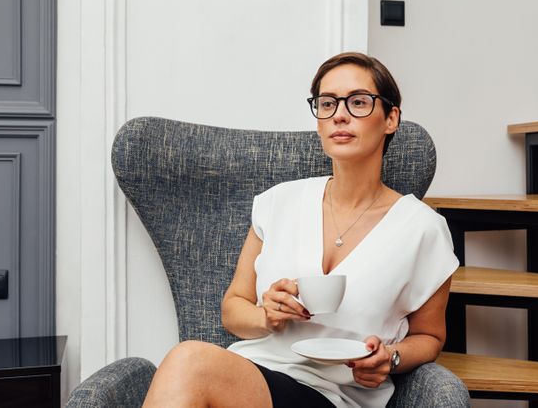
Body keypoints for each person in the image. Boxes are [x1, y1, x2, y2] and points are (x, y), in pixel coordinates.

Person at [142, 52, 468, 408]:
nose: (339, 114)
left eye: (358, 102)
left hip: (333, 393)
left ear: (391, 118)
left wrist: (389, 358)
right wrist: (266, 316)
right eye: (327, 103)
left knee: (190, 361)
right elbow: (233, 309)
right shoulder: (278, 202)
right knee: (190, 363)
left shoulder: (422, 228)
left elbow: (430, 336)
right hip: (249, 376)